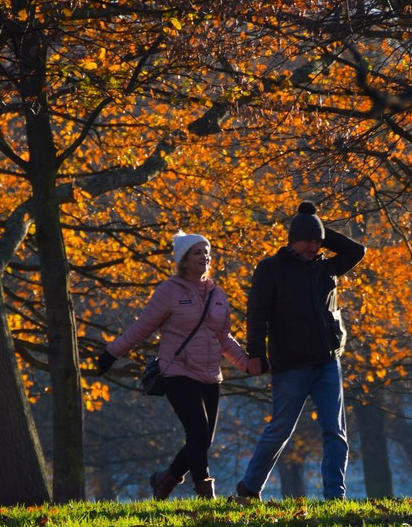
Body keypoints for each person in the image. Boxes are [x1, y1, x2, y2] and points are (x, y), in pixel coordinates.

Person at [97, 231, 259, 500]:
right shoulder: (168, 292)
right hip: (178, 372)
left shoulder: (217, 294)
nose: (204, 257)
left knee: (204, 439)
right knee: (196, 431)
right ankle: (206, 494)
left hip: (210, 374)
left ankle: (166, 479)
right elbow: (142, 328)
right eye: (197, 252)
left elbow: (223, 337)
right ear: (183, 260)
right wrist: (111, 353)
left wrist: (246, 363)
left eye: (206, 252)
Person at [234, 201, 366, 501]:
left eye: (317, 241)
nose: (313, 246)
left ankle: (335, 494)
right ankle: (249, 488)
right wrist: (254, 353)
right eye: (307, 240)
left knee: (335, 431)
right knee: (279, 430)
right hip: (290, 365)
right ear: (292, 239)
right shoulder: (270, 269)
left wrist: (316, 224)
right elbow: (257, 313)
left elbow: (357, 251)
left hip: (327, 362)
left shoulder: (327, 266)